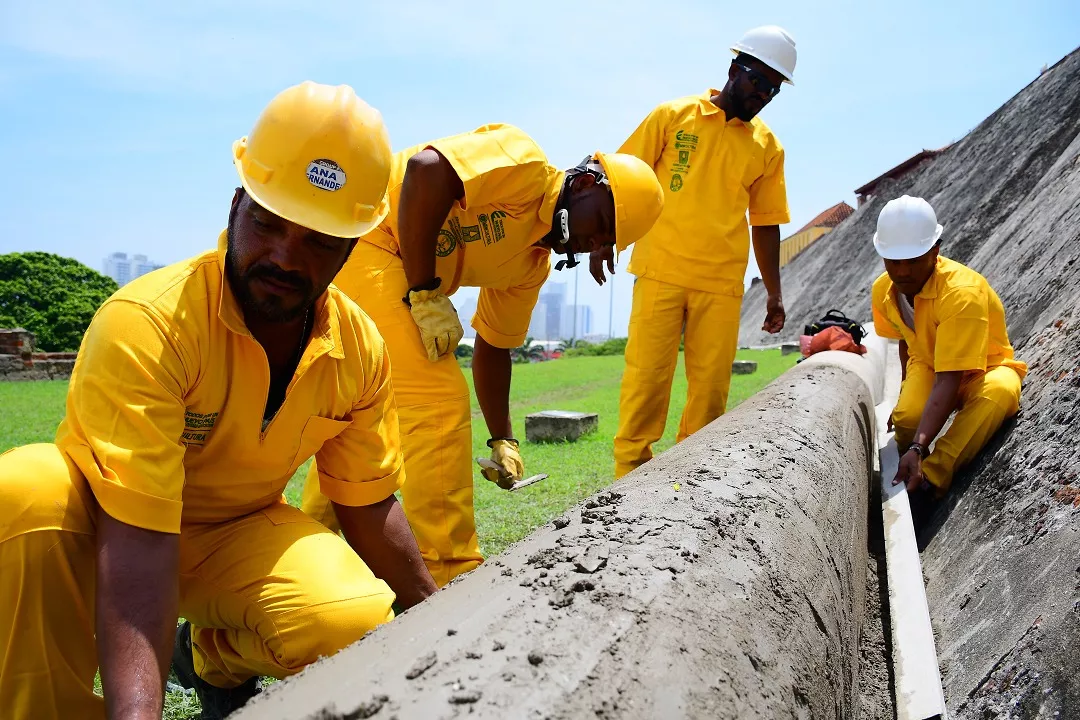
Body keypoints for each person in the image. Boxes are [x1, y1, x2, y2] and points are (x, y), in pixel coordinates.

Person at [0, 82, 438, 720]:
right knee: (25, 489)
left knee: (352, 616)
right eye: (268, 222)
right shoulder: (151, 323)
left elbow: (367, 501)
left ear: (351, 248)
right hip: (103, 530)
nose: (285, 257)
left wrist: (440, 619)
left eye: (318, 240)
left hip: (229, 533)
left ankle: (211, 660)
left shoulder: (359, 347)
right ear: (236, 206)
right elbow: (139, 539)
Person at [300, 123, 665, 586]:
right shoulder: (526, 166)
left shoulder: (529, 266)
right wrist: (425, 291)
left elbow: (495, 346)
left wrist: (502, 439)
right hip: (367, 235)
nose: (593, 246)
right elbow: (425, 171)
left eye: (605, 246)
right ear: (589, 184)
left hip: (388, 263)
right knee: (438, 399)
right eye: (602, 229)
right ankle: (449, 573)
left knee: (361, 424)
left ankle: (304, 548)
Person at [591, 26, 799, 479]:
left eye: (773, 89)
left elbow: (765, 223)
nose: (763, 94)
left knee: (709, 397)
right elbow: (623, 176)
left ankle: (692, 487)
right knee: (645, 383)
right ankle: (628, 480)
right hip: (660, 269)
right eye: (757, 81)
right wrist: (603, 237)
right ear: (732, 69)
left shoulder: (767, 147)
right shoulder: (673, 116)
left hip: (721, 284)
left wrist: (774, 293)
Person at [870, 195, 1027, 501]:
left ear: (935, 250)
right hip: (928, 365)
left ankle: (929, 479)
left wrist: (919, 447)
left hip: (983, 368)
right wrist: (905, 397)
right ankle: (907, 467)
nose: (902, 272)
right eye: (894, 261)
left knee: (1001, 392)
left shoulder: (961, 293)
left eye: (913, 260)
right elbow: (905, 341)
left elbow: (950, 378)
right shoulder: (883, 291)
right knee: (907, 421)